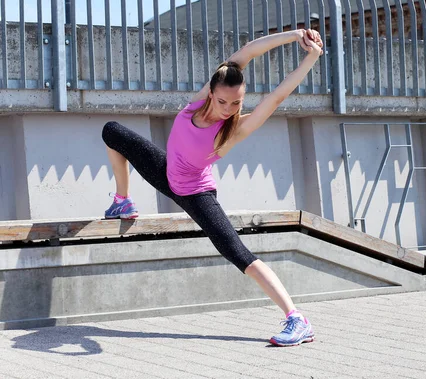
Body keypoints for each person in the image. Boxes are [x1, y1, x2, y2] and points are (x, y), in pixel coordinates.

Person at [101, 29, 323, 347]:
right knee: (112, 131)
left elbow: (277, 96)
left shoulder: (233, 130)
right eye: (221, 101)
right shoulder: (196, 104)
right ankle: (122, 201)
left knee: (235, 251)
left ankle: (296, 319)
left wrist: (311, 57)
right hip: (166, 173)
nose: (227, 108)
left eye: (235, 103)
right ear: (211, 92)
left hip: (195, 193)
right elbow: (246, 52)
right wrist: (296, 35)